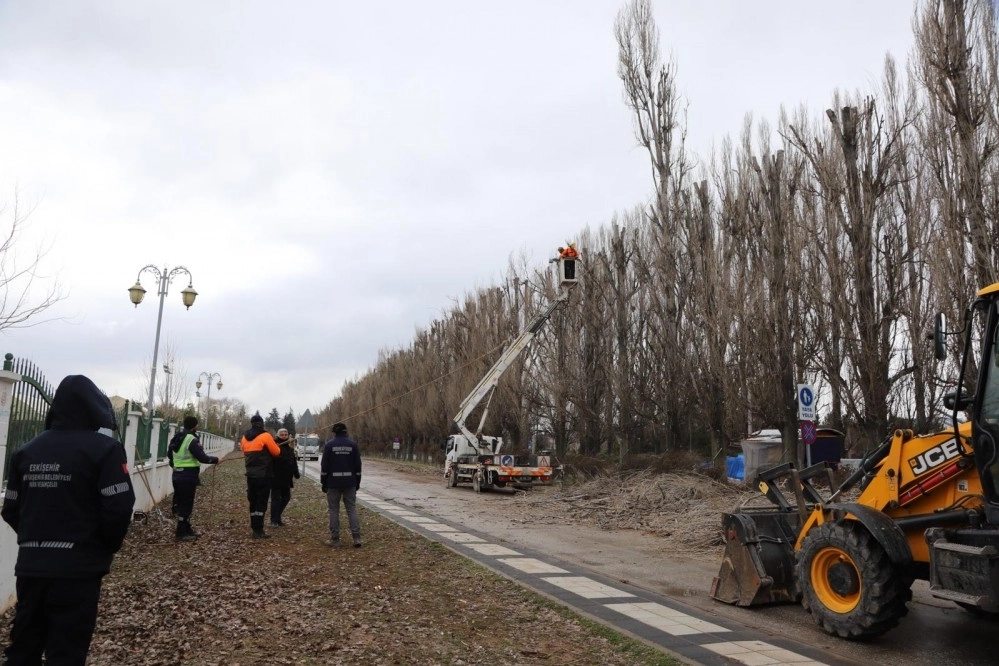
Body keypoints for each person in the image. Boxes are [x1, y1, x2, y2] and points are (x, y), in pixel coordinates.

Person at [1, 374, 136, 665]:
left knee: (23, 647)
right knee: (67, 651)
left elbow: (10, 508)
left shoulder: (25, 452)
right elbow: (119, 506)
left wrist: (35, 538)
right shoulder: (105, 450)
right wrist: (102, 546)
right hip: (78, 571)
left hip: (31, 568)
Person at [168, 415, 219, 542]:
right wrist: (215, 459)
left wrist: (176, 466)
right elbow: (202, 457)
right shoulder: (191, 439)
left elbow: (169, 455)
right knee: (186, 505)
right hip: (188, 476)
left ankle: (186, 528)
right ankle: (181, 533)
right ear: (194, 426)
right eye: (197, 425)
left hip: (177, 475)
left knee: (182, 503)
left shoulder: (177, 437)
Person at [320, 421, 362, 547]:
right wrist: (357, 481)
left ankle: (335, 539)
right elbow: (358, 465)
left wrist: (323, 482)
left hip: (333, 483)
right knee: (351, 509)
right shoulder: (353, 445)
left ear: (334, 433)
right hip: (350, 482)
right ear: (345, 431)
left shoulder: (329, 445)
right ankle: (356, 538)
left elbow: (324, 466)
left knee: (334, 510)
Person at [240, 412, 281, 539]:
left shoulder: (244, 437)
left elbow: (245, 452)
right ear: (261, 423)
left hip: (250, 474)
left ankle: (254, 527)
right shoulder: (265, 436)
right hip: (264, 475)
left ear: (252, 423)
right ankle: (258, 530)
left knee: (253, 501)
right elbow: (276, 452)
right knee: (261, 502)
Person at [269, 427, 300, 527]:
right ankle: (274, 520)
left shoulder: (289, 448)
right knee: (276, 499)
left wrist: (296, 473)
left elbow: (293, 461)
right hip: (276, 478)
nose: (284, 436)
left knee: (286, 498)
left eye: (285, 434)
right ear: (278, 435)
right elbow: (273, 460)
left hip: (287, 478)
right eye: (282, 435)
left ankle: (277, 517)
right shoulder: (275, 446)